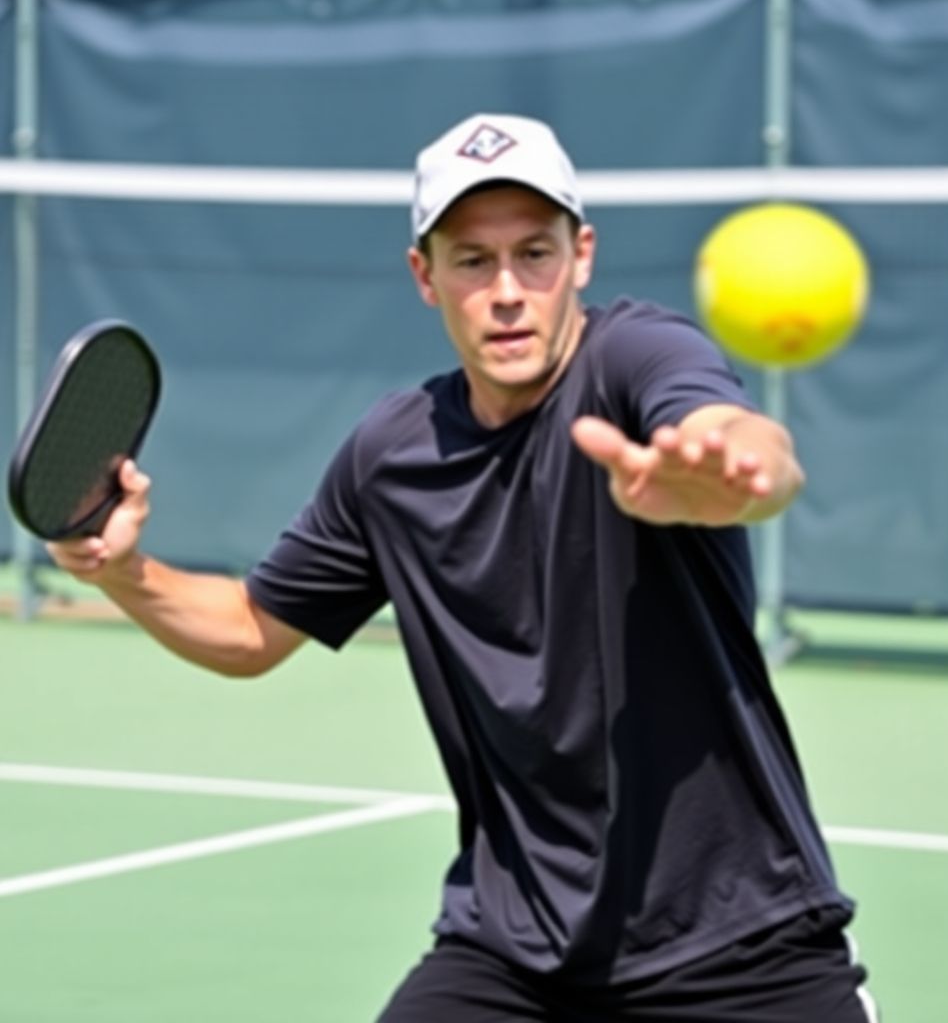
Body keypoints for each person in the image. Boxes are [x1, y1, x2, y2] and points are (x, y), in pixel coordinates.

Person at [48, 113, 878, 1022]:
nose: (509, 290)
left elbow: (737, 435)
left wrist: (735, 471)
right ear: (425, 276)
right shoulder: (390, 456)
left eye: (535, 253)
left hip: (740, 940)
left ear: (583, 256)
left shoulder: (637, 358)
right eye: (473, 262)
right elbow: (252, 629)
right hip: (515, 951)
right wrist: (123, 575)